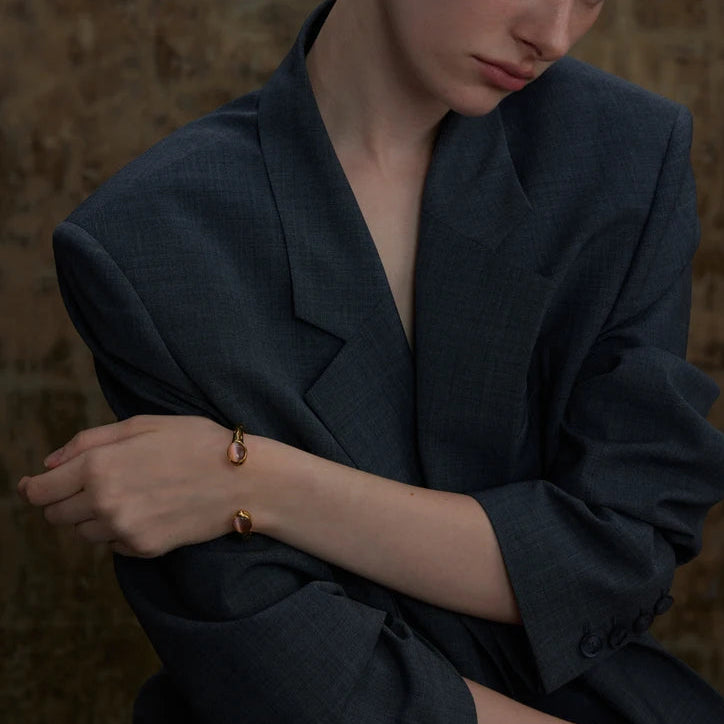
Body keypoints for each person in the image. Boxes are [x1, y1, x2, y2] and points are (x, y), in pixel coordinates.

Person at [18, 0, 724, 721]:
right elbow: (290, 663)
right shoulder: (152, 242)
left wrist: (259, 482)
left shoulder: (626, 151)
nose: (553, 35)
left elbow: (623, 552)